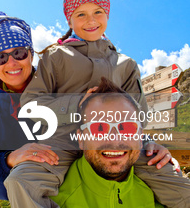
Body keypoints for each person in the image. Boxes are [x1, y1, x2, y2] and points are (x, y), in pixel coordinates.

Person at [6, 0, 190, 207]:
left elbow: (139, 112)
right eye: (81, 14)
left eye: (98, 12)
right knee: (21, 182)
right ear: (69, 20)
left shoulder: (126, 64)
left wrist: (148, 140)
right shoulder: (55, 58)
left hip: (120, 139)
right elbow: (30, 104)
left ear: (108, 15)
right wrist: (77, 104)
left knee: (180, 188)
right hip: (62, 142)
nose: (91, 20)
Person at [0, 12, 59, 200]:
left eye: (19, 53)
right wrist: (9, 160)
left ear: (31, 54)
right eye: (1, 57)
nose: (11, 62)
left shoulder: (59, 86)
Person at [51, 77, 175, 207]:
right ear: (81, 139)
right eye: (99, 128)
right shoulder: (50, 200)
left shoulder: (162, 198)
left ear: (140, 137)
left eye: (127, 127)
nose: (115, 139)